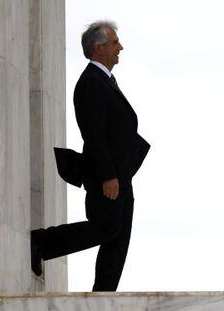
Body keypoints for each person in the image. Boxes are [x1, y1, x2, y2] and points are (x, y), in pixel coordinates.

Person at [30, 20, 150, 291]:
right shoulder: (91, 83)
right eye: (115, 42)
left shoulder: (104, 81)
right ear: (98, 48)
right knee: (107, 228)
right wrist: (108, 176)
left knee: (117, 239)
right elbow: (93, 134)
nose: (120, 47)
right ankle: (41, 242)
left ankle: (103, 297)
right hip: (106, 178)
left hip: (121, 176)